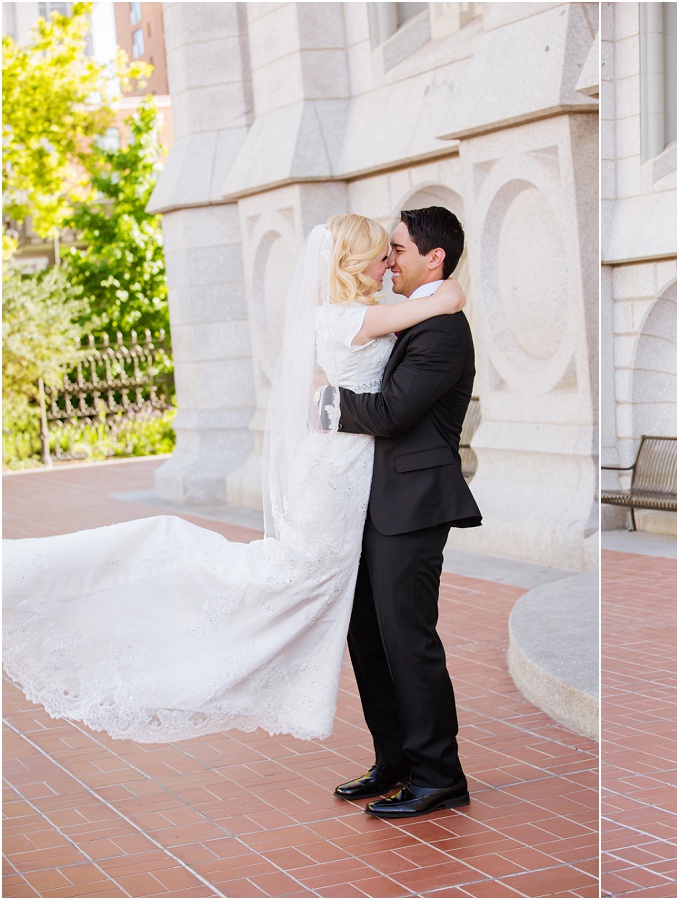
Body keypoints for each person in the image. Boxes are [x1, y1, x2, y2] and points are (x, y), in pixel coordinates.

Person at [2, 214, 464, 751]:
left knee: (322, 596)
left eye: (396, 250)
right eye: (383, 253)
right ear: (356, 263)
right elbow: (442, 302)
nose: (389, 260)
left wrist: (326, 394)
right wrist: (443, 286)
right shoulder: (350, 319)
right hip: (337, 474)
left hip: (351, 473)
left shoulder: (362, 314)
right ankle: (185, 661)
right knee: (290, 581)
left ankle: (401, 753)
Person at [319, 206, 483, 820]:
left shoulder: (443, 330)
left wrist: (326, 405)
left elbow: (391, 413)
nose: (389, 260)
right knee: (367, 636)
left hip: (412, 506)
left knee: (409, 642)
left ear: (433, 258)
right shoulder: (413, 319)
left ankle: (439, 775)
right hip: (371, 500)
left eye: (398, 249)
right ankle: (395, 760)